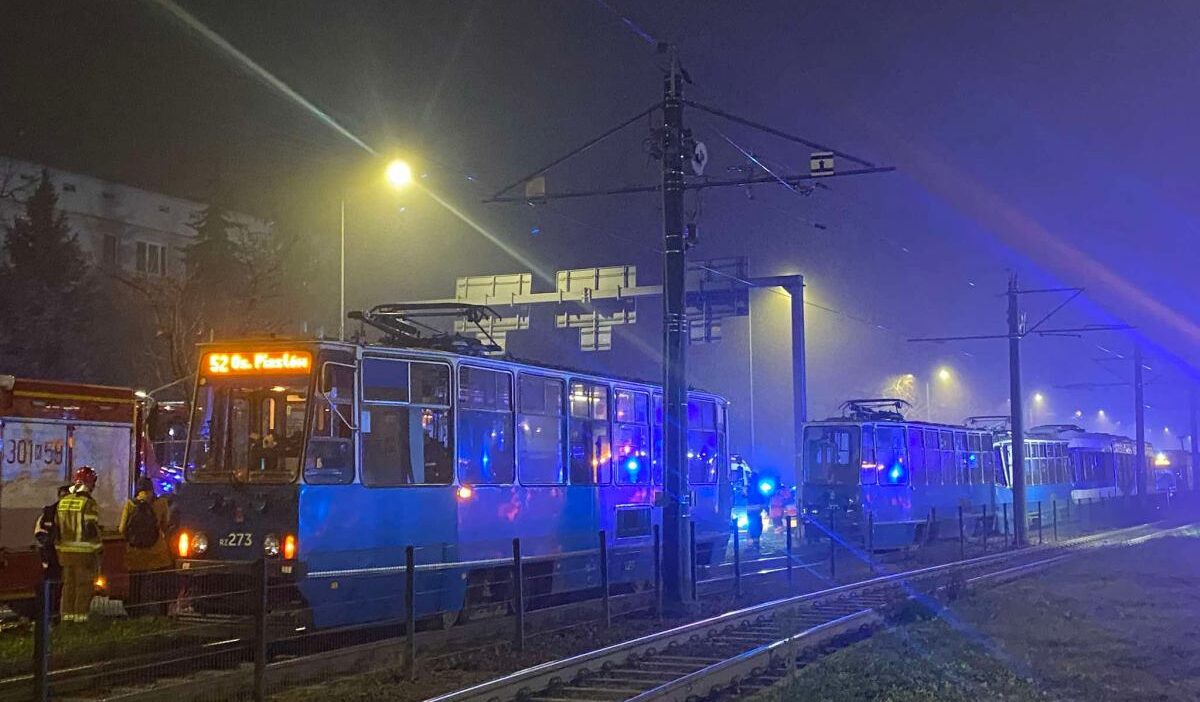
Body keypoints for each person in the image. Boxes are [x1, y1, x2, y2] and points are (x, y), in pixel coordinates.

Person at [119, 477, 174, 616]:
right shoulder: (161, 503)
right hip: (157, 555)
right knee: (159, 585)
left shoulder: (130, 504)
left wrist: (131, 540)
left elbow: (121, 529)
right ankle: (160, 614)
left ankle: (135, 615)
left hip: (135, 555)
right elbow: (165, 525)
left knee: (135, 586)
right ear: (151, 490)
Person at [55, 467, 103, 623]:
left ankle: (66, 619)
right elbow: (91, 530)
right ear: (89, 482)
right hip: (83, 555)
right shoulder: (88, 503)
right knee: (83, 588)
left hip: (65, 555)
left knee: (68, 587)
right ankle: (80, 622)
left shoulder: (63, 502)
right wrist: (98, 550)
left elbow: (57, 529)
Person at [33, 485, 73, 612]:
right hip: (53, 560)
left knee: (67, 590)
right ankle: (50, 617)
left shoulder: (76, 513)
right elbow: (40, 533)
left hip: (70, 559)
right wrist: (49, 545)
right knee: (51, 590)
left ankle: (61, 618)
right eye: (62, 496)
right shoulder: (49, 513)